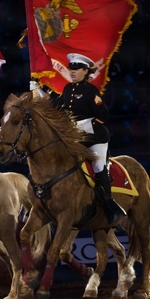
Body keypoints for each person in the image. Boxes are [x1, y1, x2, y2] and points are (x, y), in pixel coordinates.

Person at [51, 53, 126, 223]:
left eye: (77, 69)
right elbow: (55, 107)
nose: (72, 71)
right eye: (71, 68)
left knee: (99, 166)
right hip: (73, 136)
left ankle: (109, 205)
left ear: (85, 71)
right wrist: (38, 97)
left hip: (94, 136)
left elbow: (103, 115)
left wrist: (86, 127)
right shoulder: (68, 89)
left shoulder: (91, 91)